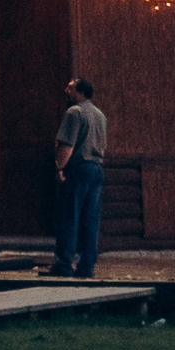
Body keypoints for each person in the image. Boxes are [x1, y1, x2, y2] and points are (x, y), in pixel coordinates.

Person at [46, 77, 107, 278]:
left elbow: (67, 146)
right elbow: (103, 148)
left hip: (78, 168)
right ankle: (87, 267)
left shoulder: (74, 112)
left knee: (69, 216)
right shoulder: (100, 115)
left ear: (80, 93)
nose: (66, 90)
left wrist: (59, 168)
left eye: (71, 88)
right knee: (90, 219)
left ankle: (63, 265)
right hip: (97, 168)